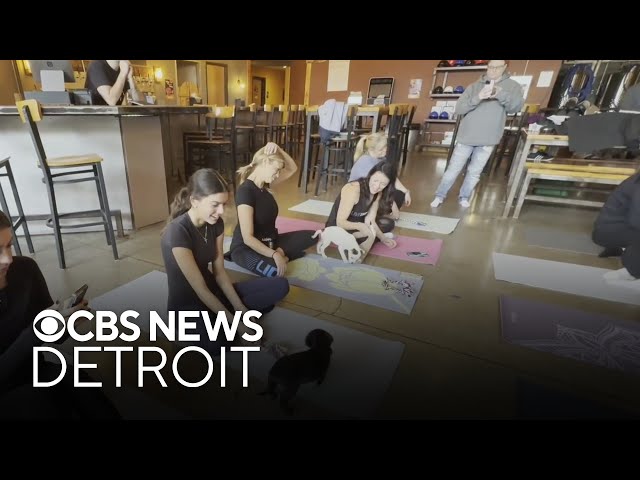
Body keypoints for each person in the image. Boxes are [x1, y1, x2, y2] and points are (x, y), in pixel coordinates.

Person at [0, 211, 120, 419]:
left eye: (9, 245)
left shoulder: (25, 270)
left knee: (75, 379)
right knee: (33, 400)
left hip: (35, 372)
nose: (7, 259)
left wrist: (66, 322)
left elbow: (49, 335)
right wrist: (35, 332)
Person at [161, 168, 290, 355]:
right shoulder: (177, 232)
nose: (220, 211)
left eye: (223, 204)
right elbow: (200, 290)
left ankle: (229, 317)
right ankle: (226, 323)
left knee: (280, 285)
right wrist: (238, 324)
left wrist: (241, 311)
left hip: (216, 292)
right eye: (215, 205)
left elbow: (220, 273)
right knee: (220, 345)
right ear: (194, 201)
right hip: (188, 306)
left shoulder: (216, 224)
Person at [431, 60, 525, 208]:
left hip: (488, 138)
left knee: (474, 172)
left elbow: (515, 107)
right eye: (490, 67)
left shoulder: (513, 87)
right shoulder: (474, 86)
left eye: (497, 67)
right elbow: (460, 109)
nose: (493, 70)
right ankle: (439, 195)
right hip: (467, 136)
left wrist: (499, 94)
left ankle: (464, 197)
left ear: (505, 68)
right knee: (452, 170)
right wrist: (478, 97)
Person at [228, 142, 318, 278]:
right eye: (276, 170)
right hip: (245, 248)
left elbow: (292, 168)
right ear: (265, 162)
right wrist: (274, 254)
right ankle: (281, 256)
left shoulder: (265, 185)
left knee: (314, 234)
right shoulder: (245, 191)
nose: (277, 175)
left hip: (270, 242)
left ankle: (282, 254)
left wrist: (278, 149)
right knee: (275, 271)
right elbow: (247, 238)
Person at [326, 161, 398, 259]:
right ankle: (357, 240)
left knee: (388, 223)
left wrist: (383, 238)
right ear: (370, 175)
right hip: (339, 227)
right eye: (375, 180)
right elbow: (340, 222)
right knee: (368, 235)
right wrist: (361, 227)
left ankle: (365, 238)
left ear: (388, 185)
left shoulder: (378, 193)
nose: (377, 187)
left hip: (358, 224)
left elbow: (370, 220)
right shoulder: (353, 189)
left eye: (383, 184)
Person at [348, 131, 412, 220]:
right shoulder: (366, 161)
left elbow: (391, 177)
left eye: (385, 147)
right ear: (371, 150)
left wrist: (406, 191)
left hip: (372, 193)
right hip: (361, 198)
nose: (385, 151)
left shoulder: (380, 158)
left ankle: (381, 214)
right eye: (381, 149)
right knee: (390, 195)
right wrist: (393, 206)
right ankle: (377, 215)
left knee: (399, 193)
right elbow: (375, 190)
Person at [592, 171, 640, 286]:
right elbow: (636, 221)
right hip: (609, 231)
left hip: (621, 227)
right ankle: (631, 272)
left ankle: (623, 250)